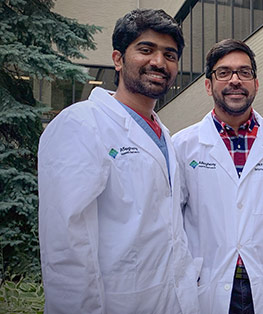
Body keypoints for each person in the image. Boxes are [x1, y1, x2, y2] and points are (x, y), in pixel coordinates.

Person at [38, 9, 201, 313]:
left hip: (170, 300)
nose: (158, 62)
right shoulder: (82, 124)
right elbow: (65, 248)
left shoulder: (163, 133)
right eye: (145, 49)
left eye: (170, 54)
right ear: (117, 59)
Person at [172, 39, 263, 314]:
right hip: (207, 285)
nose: (235, 80)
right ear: (208, 85)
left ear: (256, 83)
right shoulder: (182, 145)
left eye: (244, 72)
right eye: (224, 72)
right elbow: (171, 221)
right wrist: (190, 273)